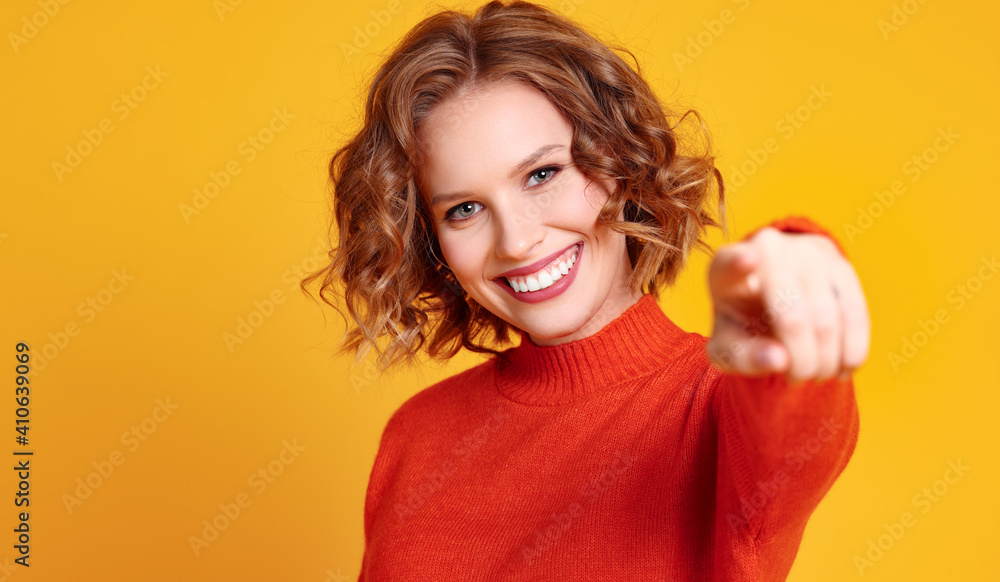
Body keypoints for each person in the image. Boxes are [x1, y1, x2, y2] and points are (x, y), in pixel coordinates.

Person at [303, 1, 870, 579]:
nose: (518, 242)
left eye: (542, 174)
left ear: (619, 160)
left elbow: (796, 401)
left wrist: (794, 275)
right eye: (465, 209)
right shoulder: (416, 436)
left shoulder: (714, 407)